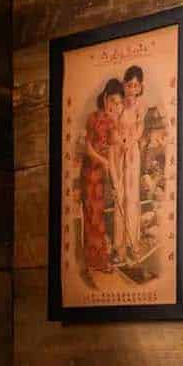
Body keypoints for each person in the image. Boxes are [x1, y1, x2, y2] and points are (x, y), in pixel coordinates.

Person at [81, 80, 121, 274]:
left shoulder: (113, 123)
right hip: (90, 172)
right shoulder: (93, 118)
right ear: (105, 98)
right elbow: (88, 148)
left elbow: (112, 154)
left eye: (118, 103)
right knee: (92, 216)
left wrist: (115, 181)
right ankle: (95, 261)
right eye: (112, 101)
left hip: (102, 175)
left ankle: (98, 259)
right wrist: (101, 160)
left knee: (99, 216)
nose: (115, 106)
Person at [115, 63, 146, 261]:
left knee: (132, 197)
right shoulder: (119, 106)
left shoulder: (140, 107)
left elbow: (140, 129)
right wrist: (121, 143)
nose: (132, 89)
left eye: (135, 85)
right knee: (120, 195)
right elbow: (114, 128)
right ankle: (119, 246)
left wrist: (131, 142)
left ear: (140, 87)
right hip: (119, 152)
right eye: (129, 85)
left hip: (132, 152)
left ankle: (133, 242)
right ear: (123, 85)